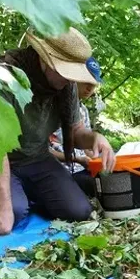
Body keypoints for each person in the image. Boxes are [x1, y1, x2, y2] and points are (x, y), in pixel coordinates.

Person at [0, 28, 116, 239]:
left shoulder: (65, 86)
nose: (70, 80)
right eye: (66, 72)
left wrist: (95, 137)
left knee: (78, 211)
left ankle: (28, 191)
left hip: (34, 158)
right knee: (13, 212)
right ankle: (18, 196)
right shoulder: (4, 78)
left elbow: (76, 131)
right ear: (46, 59)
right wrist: (2, 209)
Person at [49, 56, 105, 198]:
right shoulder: (51, 108)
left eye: (94, 84)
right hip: (60, 170)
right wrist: (76, 160)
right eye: (86, 82)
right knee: (97, 187)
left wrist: (97, 159)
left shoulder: (83, 110)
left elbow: (86, 149)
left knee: (111, 179)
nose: (89, 88)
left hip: (82, 168)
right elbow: (43, 151)